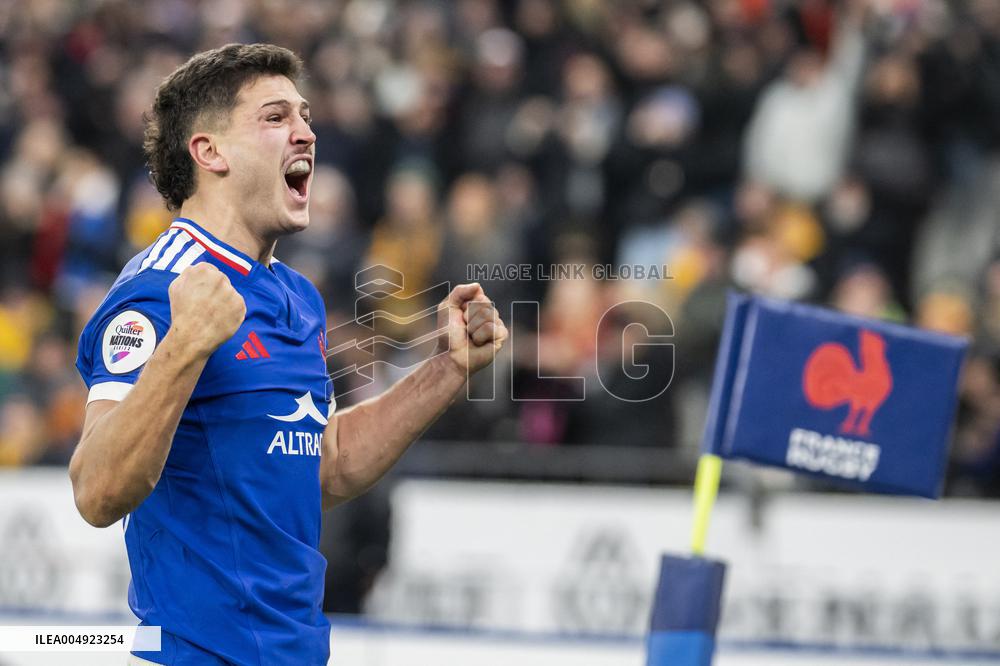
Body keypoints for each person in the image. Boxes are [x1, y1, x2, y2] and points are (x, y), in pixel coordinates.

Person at [69, 43, 508, 665]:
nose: (306, 132)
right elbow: (96, 491)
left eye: (304, 116)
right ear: (209, 151)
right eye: (276, 118)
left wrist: (449, 368)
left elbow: (324, 463)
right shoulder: (157, 293)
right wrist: (185, 347)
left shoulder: (294, 294)